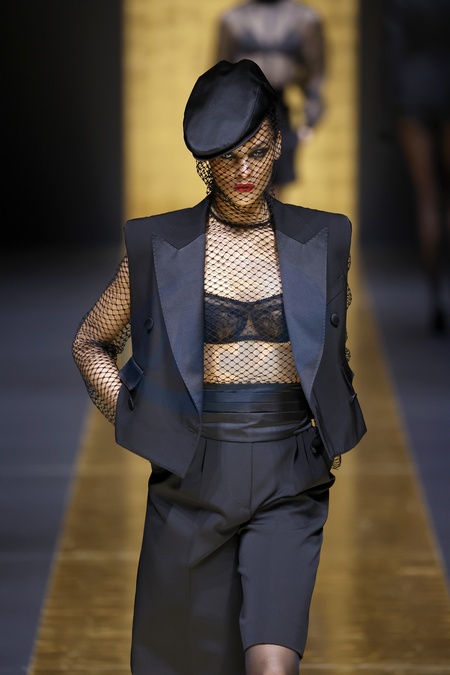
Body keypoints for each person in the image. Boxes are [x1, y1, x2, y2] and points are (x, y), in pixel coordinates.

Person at [72, 59, 366, 675]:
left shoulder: (326, 239)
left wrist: (327, 431)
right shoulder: (158, 246)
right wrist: (143, 421)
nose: (244, 171)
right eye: (228, 158)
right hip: (193, 481)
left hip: (290, 476)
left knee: (273, 665)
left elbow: (329, 351)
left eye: (256, 152)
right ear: (205, 159)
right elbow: (90, 342)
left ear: (278, 143)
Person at [384, 0, 450, 333]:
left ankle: (436, 299)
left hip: (412, 89)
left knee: (427, 199)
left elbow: (392, 50)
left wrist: (391, 107)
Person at [216, 0, 326, 199]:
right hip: (243, 108)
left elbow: (315, 72)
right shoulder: (234, 19)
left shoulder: (303, 18)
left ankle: (271, 218)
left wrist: (310, 117)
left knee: (277, 176)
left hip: (279, 107)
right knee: (242, 173)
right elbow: (220, 74)